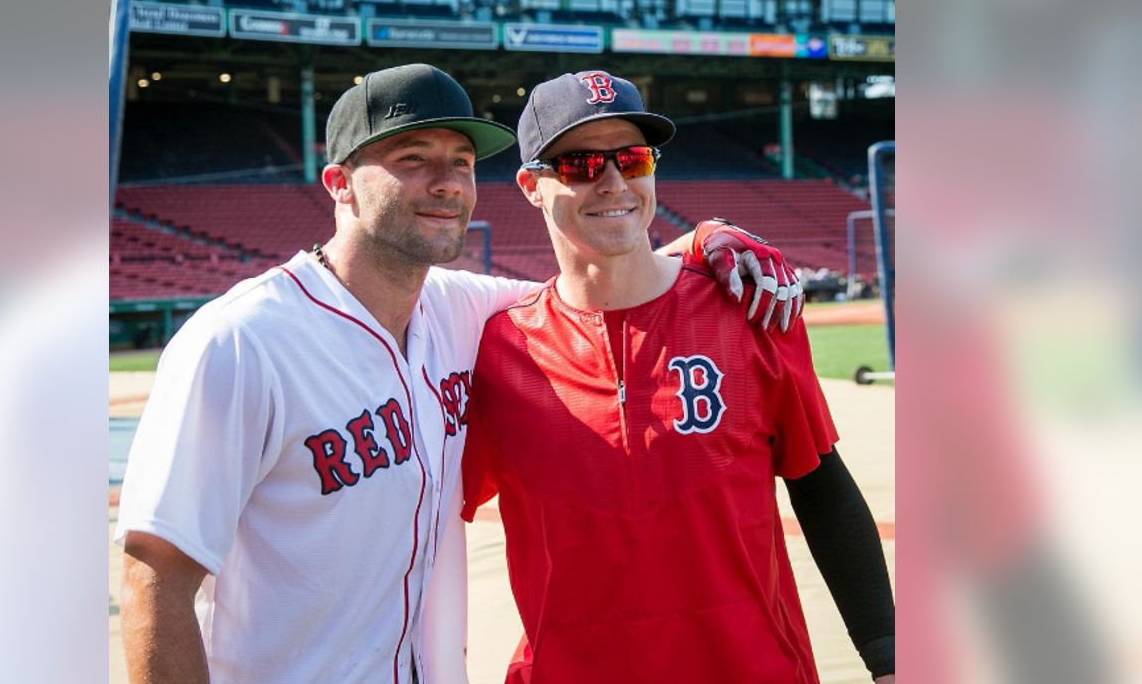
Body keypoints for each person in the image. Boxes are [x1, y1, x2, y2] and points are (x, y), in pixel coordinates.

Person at [115, 63, 801, 684]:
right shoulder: (242, 341)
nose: (445, 183)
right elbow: (155, 573)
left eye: (462, 162)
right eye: (412, 159)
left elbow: (603, 268)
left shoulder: (464, 309)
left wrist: (711, 236)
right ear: (339, 184)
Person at [460, 70, 895, 683]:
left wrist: (888, 659)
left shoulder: (751, 311)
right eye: (581, 164)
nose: (613, 181)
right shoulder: (495, 353)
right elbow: (421, 522)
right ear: (531, 185)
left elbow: (821, 487)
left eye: (633, 159)